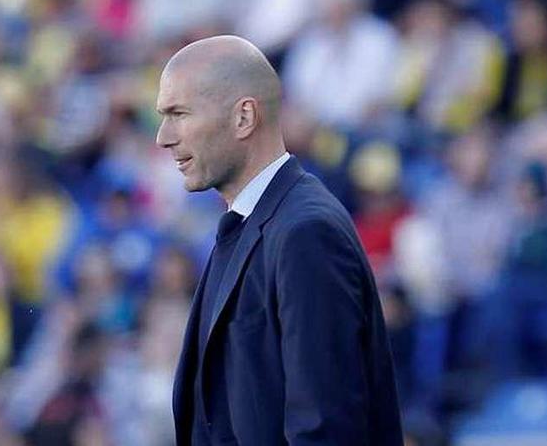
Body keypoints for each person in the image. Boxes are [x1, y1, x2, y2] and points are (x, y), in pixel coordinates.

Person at [155, 35, 403, 445]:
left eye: (179, 114)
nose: (163, 136)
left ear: (244, 118)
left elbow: (326, 428)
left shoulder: (306, 233)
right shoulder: (247, 225)